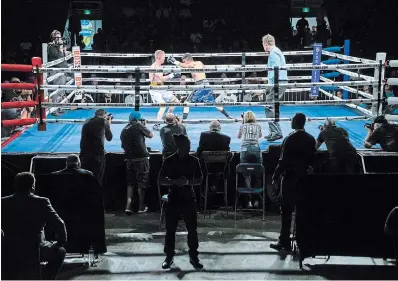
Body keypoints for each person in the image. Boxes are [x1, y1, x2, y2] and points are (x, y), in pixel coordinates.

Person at [1, 172, 67, 280]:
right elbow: (60, 224)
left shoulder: (2, 202)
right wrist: (60, 243)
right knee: (60, 252)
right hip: (35, 249)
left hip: (8, 248)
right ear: (33, 186)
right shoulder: (42, 202)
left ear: (15, 185)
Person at [270, 113, 316, 251]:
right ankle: (302, 241)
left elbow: (283, 161)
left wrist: (275, 176)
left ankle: (284, 241)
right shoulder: (310, 138)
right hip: (304, 178)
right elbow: (313, 158)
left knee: (286, 211)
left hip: (290, 178)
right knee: (302, 210)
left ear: (295, 122)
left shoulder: (289, 139)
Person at [158, 134, 203, 270]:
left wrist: (187, 182)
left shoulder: (194, 160)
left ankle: (194, 256)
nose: (189, 149)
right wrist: (174, 182)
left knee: (192, 230)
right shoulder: (169, 161)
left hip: (188, 197)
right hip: (174, 197)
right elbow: (160, 179)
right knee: (170, 230)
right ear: (180, 147)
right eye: (187, 146)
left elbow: (200, 179)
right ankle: (169, 256)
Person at [167, 53, 234, 120]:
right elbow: (202, 68)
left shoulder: (192, 64)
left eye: (184, 61)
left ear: (187, 60)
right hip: (206, 83)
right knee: (214, 103)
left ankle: (184, 121)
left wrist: (174, 61)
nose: (184, 62)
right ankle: (228, 116)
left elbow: (185, 66)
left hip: (200, 84)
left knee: (186, 103)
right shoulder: (199, 62)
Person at [120, 111, 153, 215]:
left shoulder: (124, 129)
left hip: (129, 158)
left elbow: (122, 145)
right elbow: (150, 135)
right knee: (141, 183)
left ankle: (128, 207)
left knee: (130, 183)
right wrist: (144, 125)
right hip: (141, 158)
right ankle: (141, 206)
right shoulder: (138, 125)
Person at [262, 34, 288, 141]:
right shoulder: (277, 51)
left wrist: (271, 85)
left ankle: (276, 132)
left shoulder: (273, 53)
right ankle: (273, 132)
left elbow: (275, 70)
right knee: (273, 107)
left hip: (277, 83)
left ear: (266, 44)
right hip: (279, 82)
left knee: (269, 107)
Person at [149, 50, 181, 131]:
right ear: (159, 57)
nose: (165, 58)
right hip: (155, 89)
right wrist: (173, 74)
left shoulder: (159, 66)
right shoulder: (155, 66)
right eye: (164, 56)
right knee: (163, 106)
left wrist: (172, 72)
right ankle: (157, 124)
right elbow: (162, 78)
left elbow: (162, 78)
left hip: (161, 88)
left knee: (176, 102)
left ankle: (166, 117)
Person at [80, 109, 113, 186]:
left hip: (84, 154)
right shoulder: (103, 121)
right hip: (97, 154)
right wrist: (108, 123)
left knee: (85, 179)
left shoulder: (87, 120)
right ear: (104, 115)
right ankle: (97, 196)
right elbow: (109, 138)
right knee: (97, 179)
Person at [238, 111, 263, 208]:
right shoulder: (258, 125)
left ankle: (248, 200)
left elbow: (239, 136)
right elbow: (260, 136)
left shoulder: (242, 126)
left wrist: (243, 125)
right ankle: (256, 200)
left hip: (245, 149)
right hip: (256, 148)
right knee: (257, 174)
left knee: (246, 175)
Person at [48, 30, 70, 107]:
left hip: (63, 70)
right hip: (56, 71)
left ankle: (59, 107)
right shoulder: (50, 46)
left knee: (61, 91)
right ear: (53, 38)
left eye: (60, 37)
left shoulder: (60, 46)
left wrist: (64, 50)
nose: (59, 39)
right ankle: (55, 108)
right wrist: (60, 48)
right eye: (57, 37)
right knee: (56, 91)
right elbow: (57, 57)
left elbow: (65, 58)